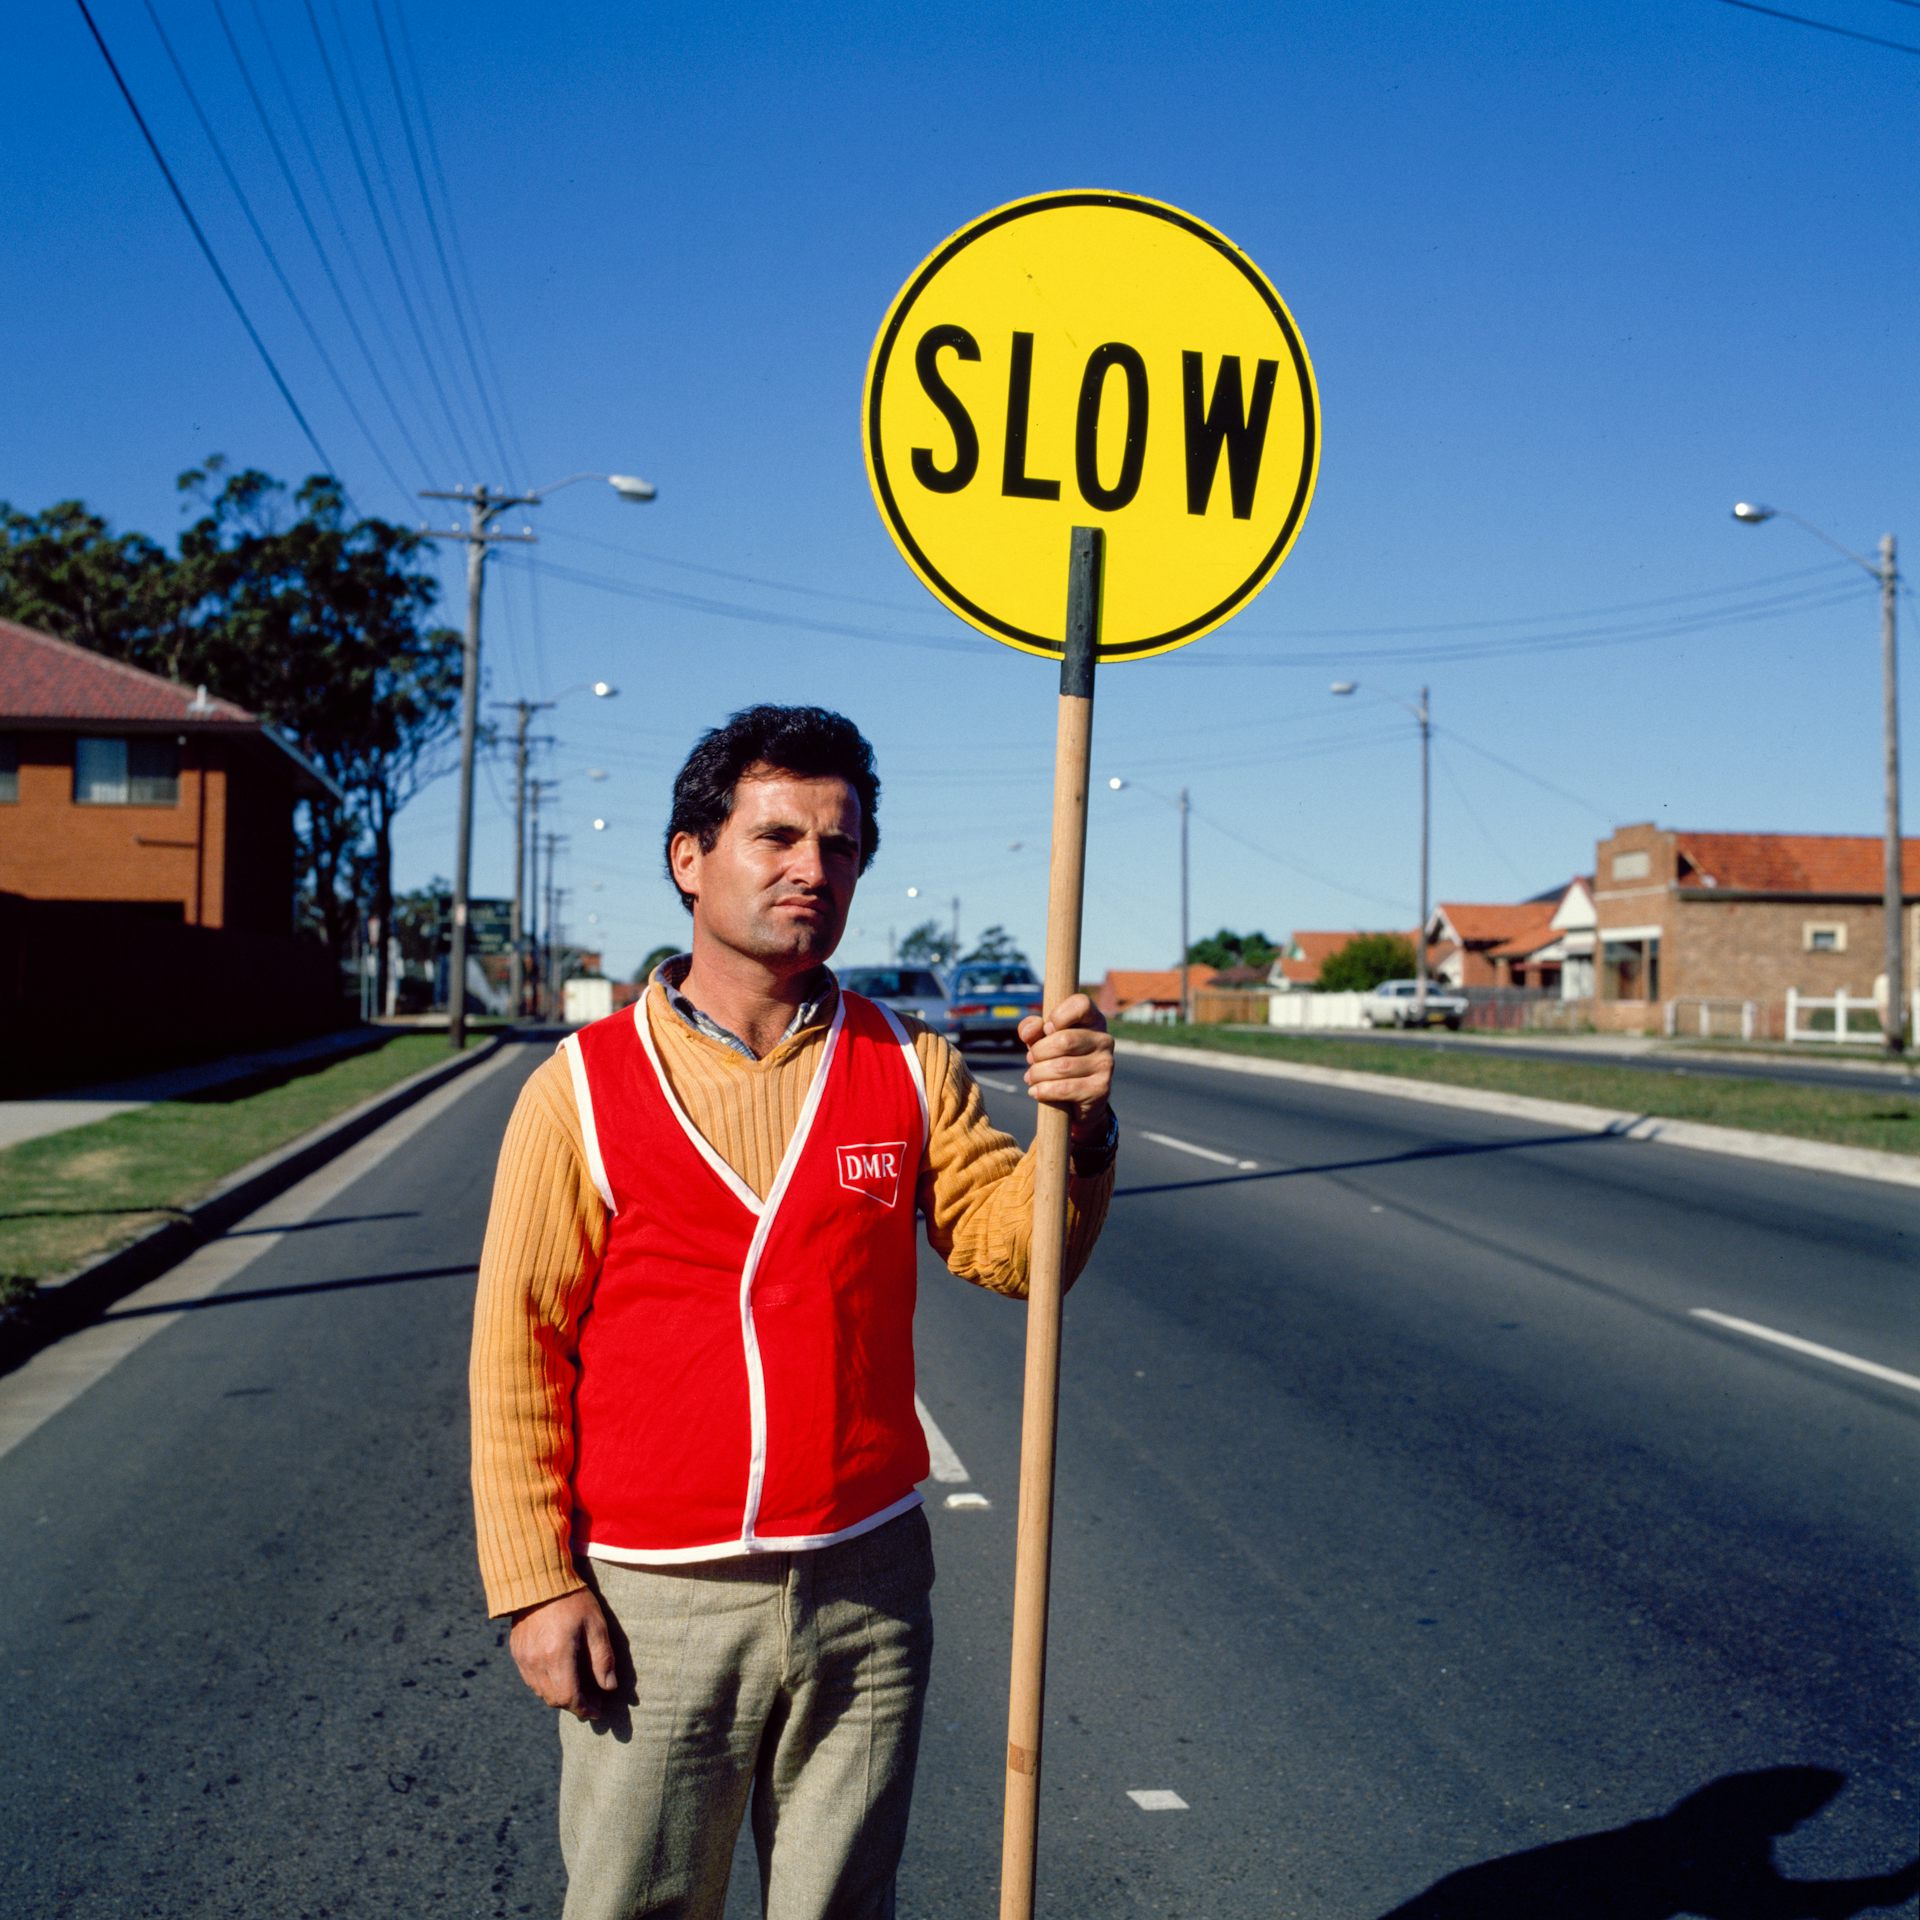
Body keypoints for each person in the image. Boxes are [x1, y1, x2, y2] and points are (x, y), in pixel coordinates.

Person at [469, 704, 1116, 1920]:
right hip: (657, 1596)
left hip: (866, 1584)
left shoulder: (908, 1065)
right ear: (689, 857)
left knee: (839, 1909)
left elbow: (1015, 1251)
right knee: (634, 1903)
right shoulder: (579, 1092)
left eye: (841, 845)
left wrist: (1079, 1142)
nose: (813, 869)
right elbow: (518, 1352)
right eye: (775, 836)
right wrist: (536, 1584)